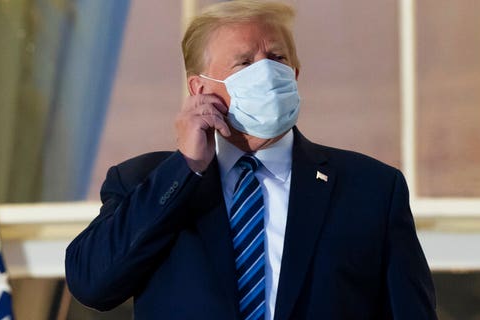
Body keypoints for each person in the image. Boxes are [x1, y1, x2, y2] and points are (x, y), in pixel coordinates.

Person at [65, 1, 437, 319]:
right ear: (200, 89)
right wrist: (186, 167)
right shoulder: (143, 181)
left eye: (276, 58)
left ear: (294, 74)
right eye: (244, 63)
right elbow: (92, 283)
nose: (267, 71)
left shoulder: (370, 189)